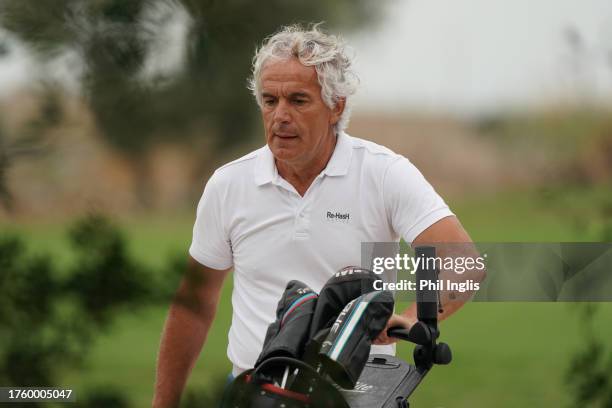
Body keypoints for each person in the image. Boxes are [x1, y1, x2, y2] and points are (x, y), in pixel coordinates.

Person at [153, 23, 483, 408]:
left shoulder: (384, 173)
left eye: (298, 100)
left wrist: (412, 320)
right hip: (254, 390)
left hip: (355, 394)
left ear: (336, 106)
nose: (280, 116)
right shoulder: (228, 185)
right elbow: (193, 304)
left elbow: (464, 263)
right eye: (269, 100)